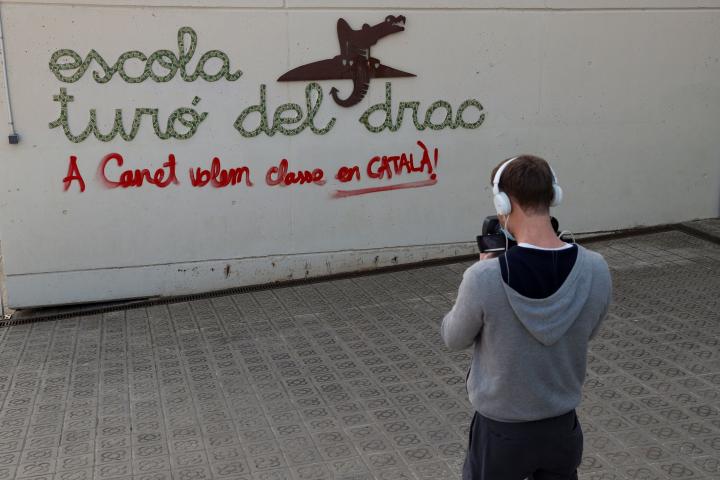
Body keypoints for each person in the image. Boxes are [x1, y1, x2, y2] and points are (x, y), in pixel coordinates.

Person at [440, 155, 612, 480]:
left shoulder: (485, 277)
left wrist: (480, 273)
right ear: (553, 195)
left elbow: (453, 337)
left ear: (502, 202)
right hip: (561, 427)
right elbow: (587, 331)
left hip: (501, 432)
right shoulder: (596, 268)